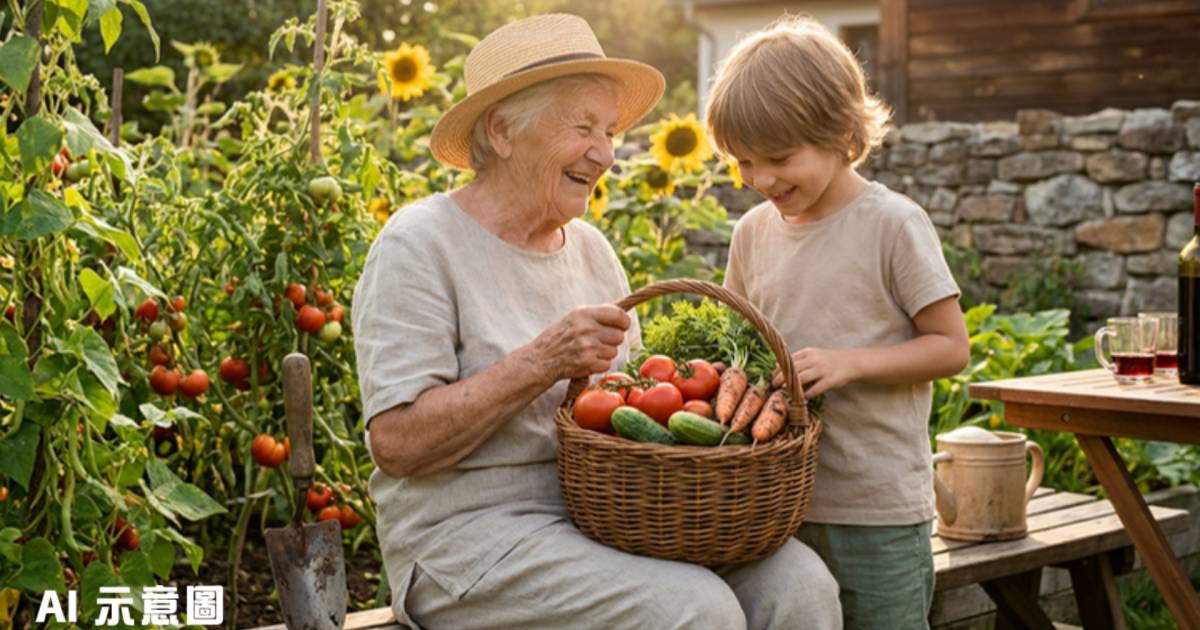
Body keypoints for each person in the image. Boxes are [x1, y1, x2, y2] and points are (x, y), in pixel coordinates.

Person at [353, 13, 842, 630]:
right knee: (693, 611)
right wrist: (541, 362)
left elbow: (629, 412)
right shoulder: (419, 245)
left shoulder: (590, 249)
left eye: (609, 131)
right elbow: (396, 444)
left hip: (605, 516)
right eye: (584, 127)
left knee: (801, 585)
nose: (607, 154)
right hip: (466, 542)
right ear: (503, 130)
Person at [705, 16, 972, 630]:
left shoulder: (892, 225)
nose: (761, 180)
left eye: (779, 158)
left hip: (876, 507)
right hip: (778, 504)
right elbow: (736, 344)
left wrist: (851, 364)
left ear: (844, 135)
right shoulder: (751, 233)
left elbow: (950, 347)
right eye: (743, 161)